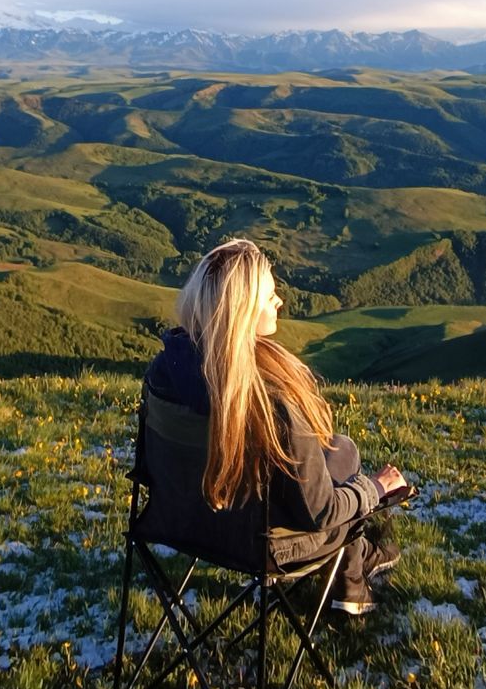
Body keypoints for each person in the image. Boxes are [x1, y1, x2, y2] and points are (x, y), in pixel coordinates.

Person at [138, 237, 408, 615]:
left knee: (339, 451)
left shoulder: (162, 374)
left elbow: (150, 471)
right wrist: (375, 488)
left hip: (182, 522)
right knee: (346, 460)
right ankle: (354, 577)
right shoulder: (270, 402)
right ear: (242, 310)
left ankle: (354, 575)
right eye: (269, 296)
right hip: (261, 546)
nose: (279, 301)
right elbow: (321, 513)